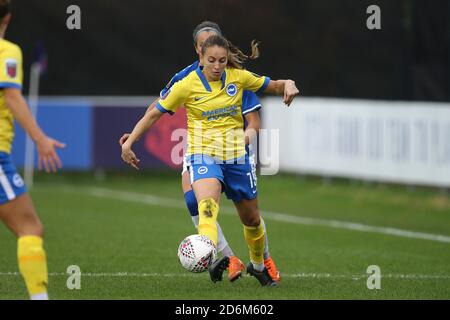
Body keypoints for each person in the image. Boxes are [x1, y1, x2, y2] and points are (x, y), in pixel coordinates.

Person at [122, 34, 299, 286]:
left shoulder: (238, 78)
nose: (217, 66)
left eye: (222, 61)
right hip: (202, 154)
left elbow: (274, 86)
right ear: (201, 59)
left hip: (236, 157)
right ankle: (208, 254)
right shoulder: (186, 84)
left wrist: (289, 83)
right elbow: (154, 115)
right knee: (207, 206)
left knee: (251, 219)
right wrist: (130, 142)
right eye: (212, 60)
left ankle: (258, 264)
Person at [0, 0, 65, 300]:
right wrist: (40, 139)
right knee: (30, 228)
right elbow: (12, 96)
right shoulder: (7, 50)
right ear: (8, 18)